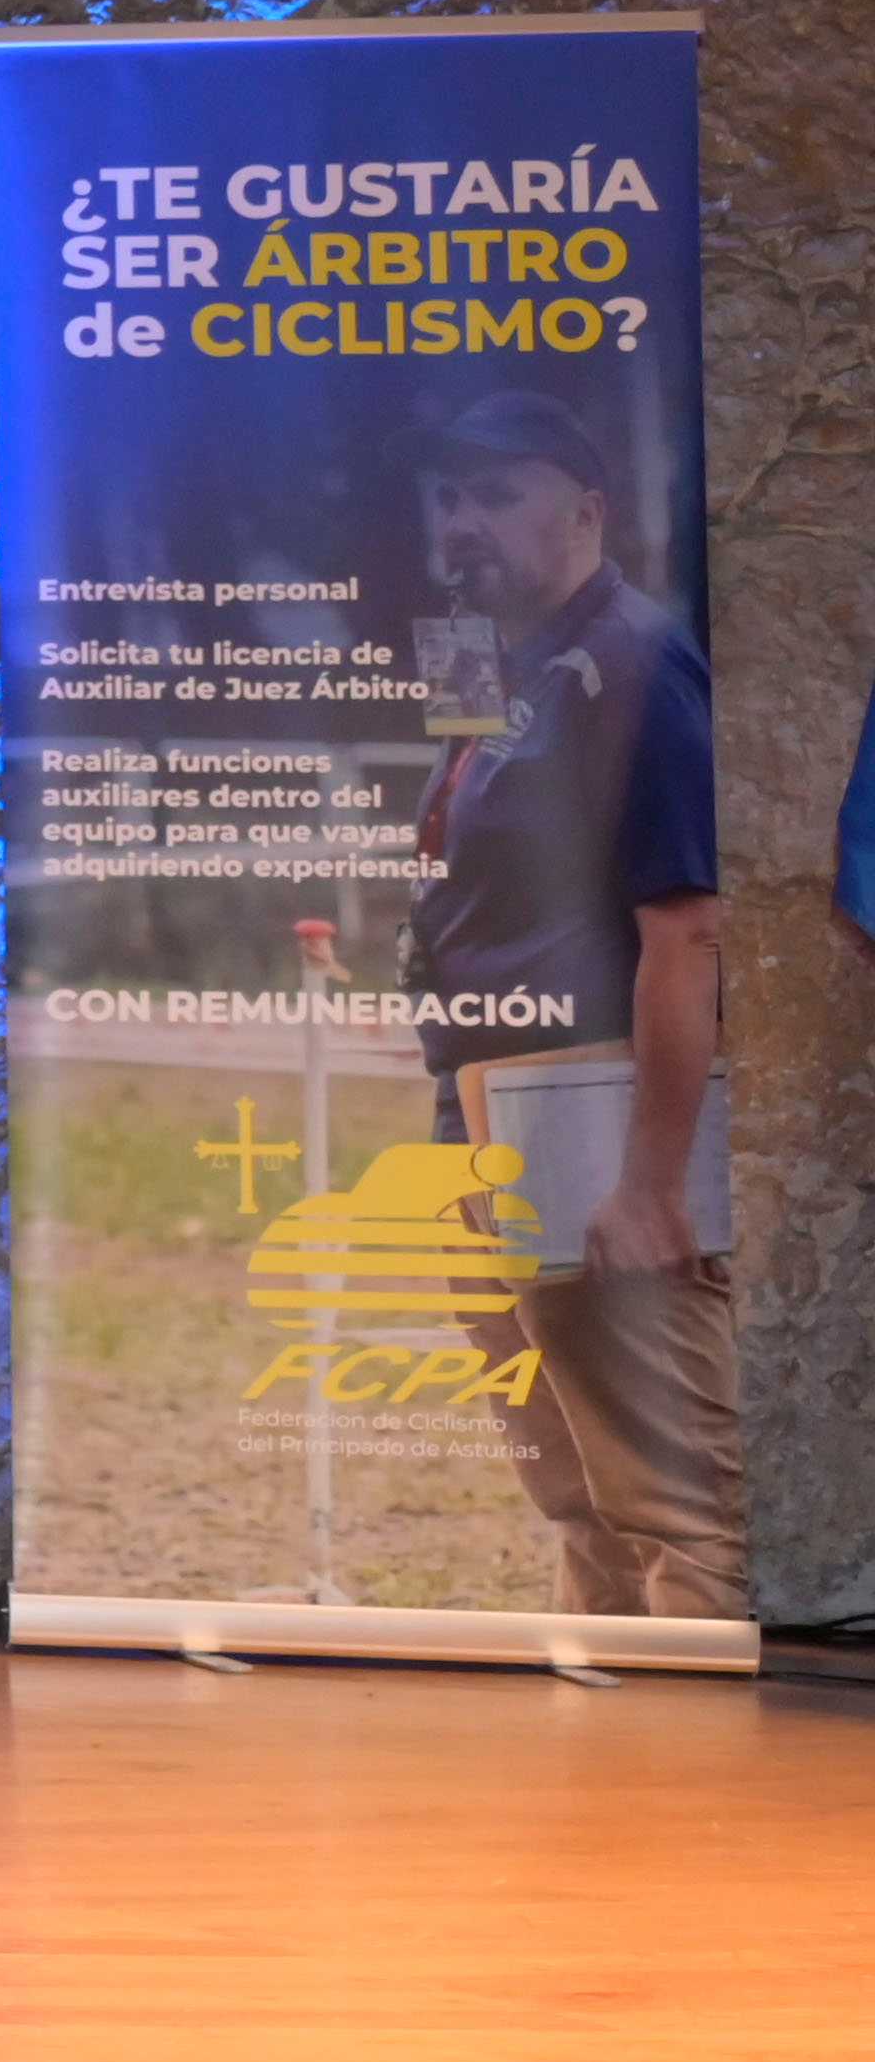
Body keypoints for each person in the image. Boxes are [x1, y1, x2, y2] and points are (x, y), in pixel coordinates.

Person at [404, 385, 737, 1617]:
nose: (461, 521)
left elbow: (689, 929)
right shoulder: (501, 659)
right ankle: (606, 1772)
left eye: (497, 492)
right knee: (573, 1487)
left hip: (586, 1110)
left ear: (587, 510)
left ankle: (696, 1791)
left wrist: (650, 1182)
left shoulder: (638, 665)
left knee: (672, 1503)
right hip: (481, 1106)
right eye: (448, 496)